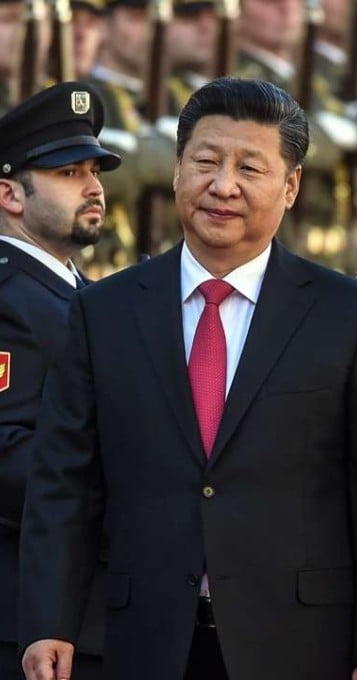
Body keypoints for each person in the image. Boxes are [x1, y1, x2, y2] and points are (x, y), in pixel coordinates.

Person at [18, 78, 357, 680]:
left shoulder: (350, 315)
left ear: (290, 187)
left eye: (249, 167)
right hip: (143, 638)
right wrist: (48, 621)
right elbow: (64, 485)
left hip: (299, 641)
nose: (223, 185)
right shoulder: (105, 311)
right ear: (178, 169)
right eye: (205, 161)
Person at [0, 81, 121, 680]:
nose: (94, 186)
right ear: (9, 195)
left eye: (94, 169)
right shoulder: (9, 299)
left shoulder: (85, 296)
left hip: (89, 606)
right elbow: (8, 456)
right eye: (68, 173)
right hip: (24, 616)